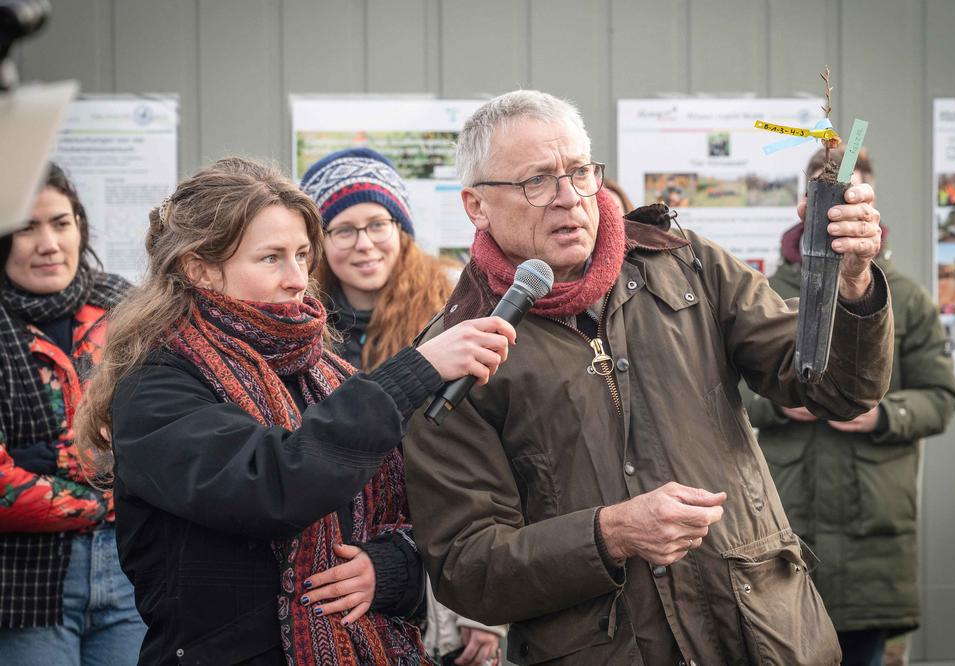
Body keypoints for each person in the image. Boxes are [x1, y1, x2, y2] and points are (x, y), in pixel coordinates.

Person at [402, 90, 893, 665]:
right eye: (537, 180)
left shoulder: (685, 263)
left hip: (762, 635)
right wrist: (609, 534)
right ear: (476, 206)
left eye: (580, 172)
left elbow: (835, 389)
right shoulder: (456, 354)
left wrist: (854, 283)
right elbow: (468, 568)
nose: (570, 198)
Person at [75, 157, 515, 665]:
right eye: (271, 258)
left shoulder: (320, 368)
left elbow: (418, 517)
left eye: (303, 255)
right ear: (199, 269)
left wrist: (390, 569)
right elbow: (270, 483)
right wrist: (410, 374)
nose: (297, 279)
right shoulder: (158, 386)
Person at [744, 147, 955, 666]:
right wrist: (777, 405)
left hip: (873, 532)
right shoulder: (764, 294)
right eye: (830, 197)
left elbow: (942, 396)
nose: (841, 210)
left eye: (854, 195)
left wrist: (883, 412)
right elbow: (724, 393)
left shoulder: (904, 297)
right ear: (807, 203)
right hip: (786, 527)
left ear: (869, 202)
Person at [301, 147, 507, 666]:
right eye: (342, 229)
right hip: (339, 559)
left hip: (441, 557)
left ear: (402, 227)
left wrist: (485, 614)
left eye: (378, 223)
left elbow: (494, 452)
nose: (364, 244)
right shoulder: (301, 329)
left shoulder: (451, 310)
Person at [0, 164, 144, 664]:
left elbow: (160, 437)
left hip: (132, 571)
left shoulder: (126, 309)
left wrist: (49, 460)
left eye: (61, 223)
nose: (48, 243)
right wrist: (108, 493)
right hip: (24, 589)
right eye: (26, 227)